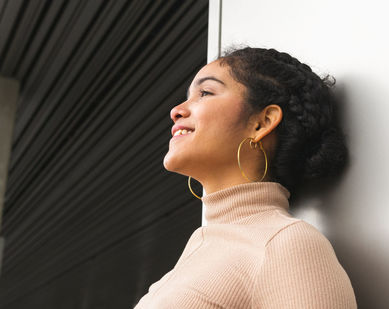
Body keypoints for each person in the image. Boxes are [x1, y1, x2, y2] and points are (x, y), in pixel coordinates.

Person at [134, 46, 356, 308]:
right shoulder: (201, 244)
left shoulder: (286, 243)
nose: (177, 110)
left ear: (262, 123)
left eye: (204, 93)